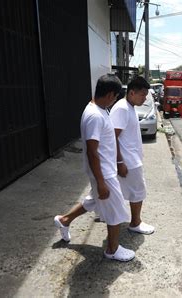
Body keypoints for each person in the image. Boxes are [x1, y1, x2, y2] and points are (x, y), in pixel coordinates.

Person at [54, 74, 134, 262]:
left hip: (105, 171)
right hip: (103, 173)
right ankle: (112, 250)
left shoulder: (98, 108)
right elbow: (92, 151)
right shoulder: (94, 116)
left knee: (94, 200)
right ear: (109, 94)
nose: (115, 101)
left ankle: (64, 220)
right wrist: (101, 182)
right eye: (115, 97)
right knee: (115, 212)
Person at [110, 76, 155, 235]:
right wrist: (120, 161)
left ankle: (65, 219)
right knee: (137, 192)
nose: (144, 98)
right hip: (128, 161)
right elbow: (112, 137)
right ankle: (135, 223)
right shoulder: (122, 108)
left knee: (100, 196)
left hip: (130, 158)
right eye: (142, 94)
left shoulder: (129, 107)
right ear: (131, 92)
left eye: (146, 95)